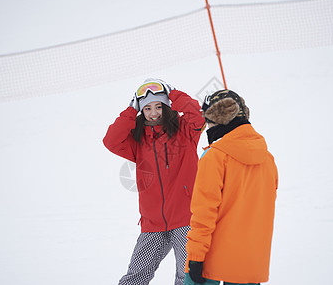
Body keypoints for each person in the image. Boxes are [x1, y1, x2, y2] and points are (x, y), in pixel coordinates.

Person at [103, 78, 205, 285]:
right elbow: (111, 141)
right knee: (135, 276)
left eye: (159, 106)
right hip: (152, 222)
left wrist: (174, 93)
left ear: (167, 107)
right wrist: (131, 111)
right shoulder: (137, 141)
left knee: (185, 276)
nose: (154, 113)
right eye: (147, 108)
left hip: (186, 219)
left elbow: (198, 116)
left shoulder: (186, 132)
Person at [184, 89, 278, 285]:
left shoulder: (214, 157)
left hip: (210, 263)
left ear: (219, 120)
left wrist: (195, 256)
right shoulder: (267, 159)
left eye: (208, 122)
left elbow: (203, 214)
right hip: (250, 264)